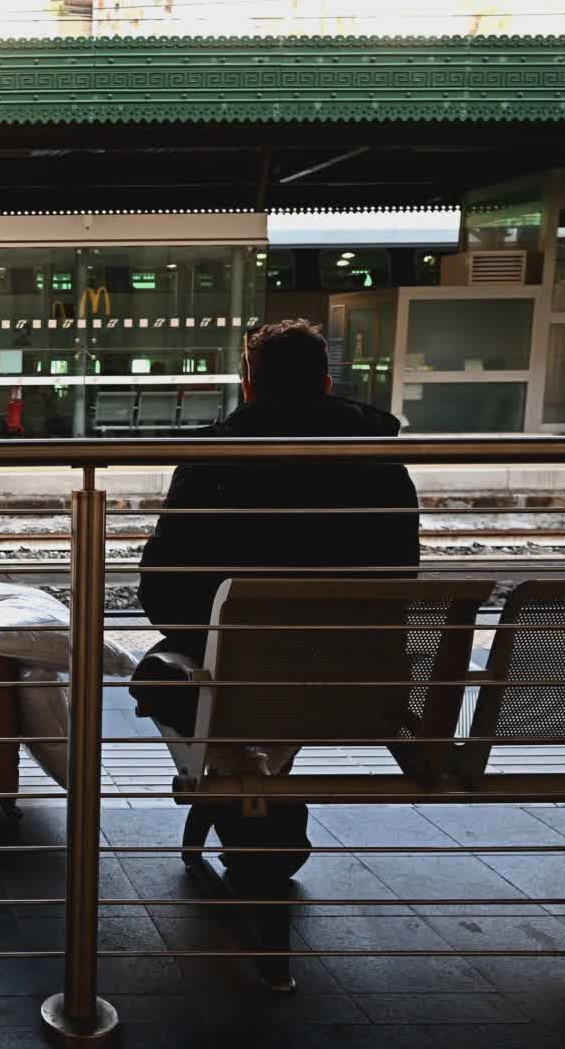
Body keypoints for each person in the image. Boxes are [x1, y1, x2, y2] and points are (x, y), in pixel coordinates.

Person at [131, 319, 420, 992]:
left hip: (240, 685)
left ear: (248, 385)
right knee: (252, 694)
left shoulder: (214, 462)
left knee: (168, 678)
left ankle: (249, 803)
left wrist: (208, 629)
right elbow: (402, 583)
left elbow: (159, 594)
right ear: (326, 381)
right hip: (362, 688)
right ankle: (261, 804)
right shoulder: (384, 464)